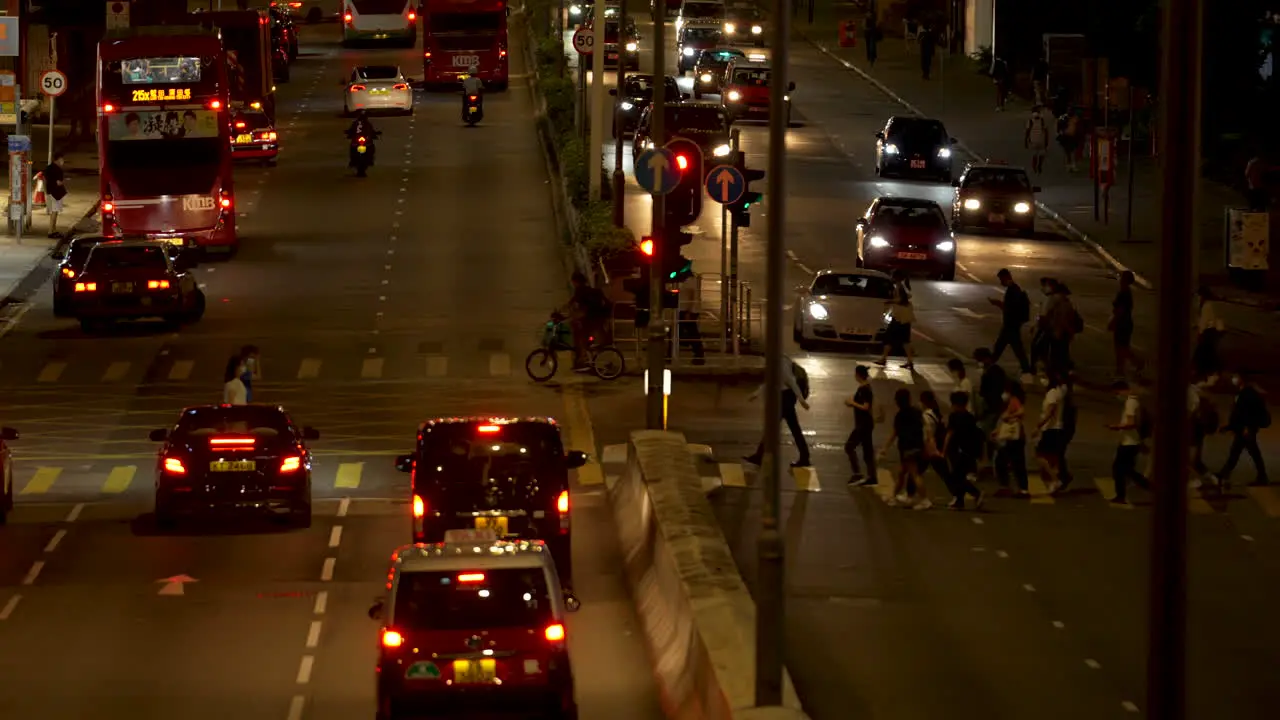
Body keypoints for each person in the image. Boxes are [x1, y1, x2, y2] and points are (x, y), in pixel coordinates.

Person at [744, 357, 811, 468]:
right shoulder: (780, 360)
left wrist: (801, 400)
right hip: (784, 397)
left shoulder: (780, 362)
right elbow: (771, 381)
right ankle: (805, 456)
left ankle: (759, 456)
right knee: (792, 429)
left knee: (776, 428)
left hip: (785, 398)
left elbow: (791, 381)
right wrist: (756, 394)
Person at [1216, 373, 1271, 488]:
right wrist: (1229, 427)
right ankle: (1224, 474)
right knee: (1244, 453)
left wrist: (1246, 427)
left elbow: (1247, 413)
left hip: (1246, 429)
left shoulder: (1248, 393)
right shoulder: (1245, 392)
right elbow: (1240, 413)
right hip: (1244, 429)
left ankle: (1223, 475)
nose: (1234, 379)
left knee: (1241, 453)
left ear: (1242, 379)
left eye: (1236, 377)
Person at [878, 388, 929, 509]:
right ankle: (893, 497)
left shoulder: (900, 416)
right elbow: (925, 426)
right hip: (917, 446)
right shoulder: (916, 412)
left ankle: (925, 500)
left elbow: (894, 433)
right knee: (901, 473)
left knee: (914, 474)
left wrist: (885, 447)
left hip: (907, 448)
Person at [1107, 379, 1150, 504]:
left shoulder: (1130, 403)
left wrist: (1117, 426)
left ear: (1124, 390)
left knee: (1120, 469)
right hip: (1130, 441)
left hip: (1129, 442)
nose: (1117, 396)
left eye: (1117, 393)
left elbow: (1131, 423)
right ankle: (1121, 495)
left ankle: (1121, 495)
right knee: (1127, 470)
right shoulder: (1133, 401)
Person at [942, 391, 985, 510]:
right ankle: (959, 501)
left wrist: (944, 451)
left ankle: (976, 493)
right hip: (969, 452)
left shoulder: (954, 417)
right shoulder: (970, 417)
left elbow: (950, 434)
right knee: (960, 475)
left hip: (957, 450)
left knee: (956, 477)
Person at [988, 268, 1033, 377]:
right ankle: (1026, 367)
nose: (1001, 282)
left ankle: (989, 364)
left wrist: (998, 303)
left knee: (1005, 346)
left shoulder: (1014, 290)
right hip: (1011, 324)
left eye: (1001, 279)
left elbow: (1011, 308)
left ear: (1006, 277)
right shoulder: (1013, 289)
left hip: (1011, 324)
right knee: (1009, 346)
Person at [567, 271, 611, 371]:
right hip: (598, 317)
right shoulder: (587, 290)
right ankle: (587, 357)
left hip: (593, 318)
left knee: (579, 336)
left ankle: (582, 360)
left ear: (576, 282)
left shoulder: (580, 291)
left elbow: (574, 304)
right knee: (585, 336)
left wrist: (568, 314)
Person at [992, 378, 1029, 497]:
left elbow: (1021, 412)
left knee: (1003, 461)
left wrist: (1008, 416)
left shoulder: (1014, 400)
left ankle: (1007, 487)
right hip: (1015, 437)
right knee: (1016, 462)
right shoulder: (1012, 400)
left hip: (1014, 438)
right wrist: (997, 430)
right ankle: (1021, 488)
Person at [875, 270, 915, 370]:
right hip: (904, 317)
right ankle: (909, 361)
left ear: (896, 277)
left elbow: (902, 300)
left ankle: (883, 359)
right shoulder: (903, 286)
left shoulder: (899, 286)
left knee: (889, 337)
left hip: (899, 317)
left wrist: (889, 301)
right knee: (905, 341)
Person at [1033, 371, 1066, 494]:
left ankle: (1055, 480)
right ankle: (1054, 483)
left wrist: (1038, 426)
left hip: (1050, 429)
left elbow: (1049, 412)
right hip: (1056, 429)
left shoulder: (1052, 393)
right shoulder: (1058, 391)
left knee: (1040, 456)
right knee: (1052, 458)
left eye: (1043, 377)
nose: (1042, 380)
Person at [845, 365, 878, 486]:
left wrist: (852, 403)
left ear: (858, 375)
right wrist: (852, 404)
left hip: (863, 424)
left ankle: (857, 473)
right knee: (867, 450)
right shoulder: (864, 388)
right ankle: (872, 476)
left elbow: (865, 407)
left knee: (849, 447)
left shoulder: (864, 389)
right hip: (864, 423)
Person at [1109, 270, 1144, 378]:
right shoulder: (1125, 291)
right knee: (1120, 347)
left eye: (1122, 277)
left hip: (1123, 322)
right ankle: (1120, 370)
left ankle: (1137, 363)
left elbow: (1121, 310)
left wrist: (1114, 321)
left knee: (1121, 348)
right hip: (1125, 322)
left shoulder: (1124, 293)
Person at [1192, 286, 1224, 382]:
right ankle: (1208, 371)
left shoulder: (1207, 306)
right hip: (1212, 332)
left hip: (1209, 332)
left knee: (1202, 352)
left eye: (1199, 295)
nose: (1198, 297)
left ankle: (1202, 371)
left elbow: (1205, 321)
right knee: (1208, 352)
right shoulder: (1209, 304)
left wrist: (1200, 333)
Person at [42, 152, 68, 239]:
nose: (63, 161)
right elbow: (58, 182)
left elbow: (44, 179)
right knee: (54, 212)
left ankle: (53, 230)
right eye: (62, 159)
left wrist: (46, 191)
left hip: (49, 192)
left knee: (54, 211)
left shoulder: (48, 168)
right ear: (59, 159)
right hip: (56, 193)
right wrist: (65, 181)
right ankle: (51, 231)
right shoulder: (58, 170)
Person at [1025, 105, 1053, 175]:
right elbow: (1046, 131)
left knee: (1036, 155)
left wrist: (1026, 140)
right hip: (1039, 140)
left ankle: (1035, 167)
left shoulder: (1031, 121)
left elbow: (1027, 131)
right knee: (1040, 155)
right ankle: (1038, 166)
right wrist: (1046, 141)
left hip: (1035, 140)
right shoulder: (1042, 121)